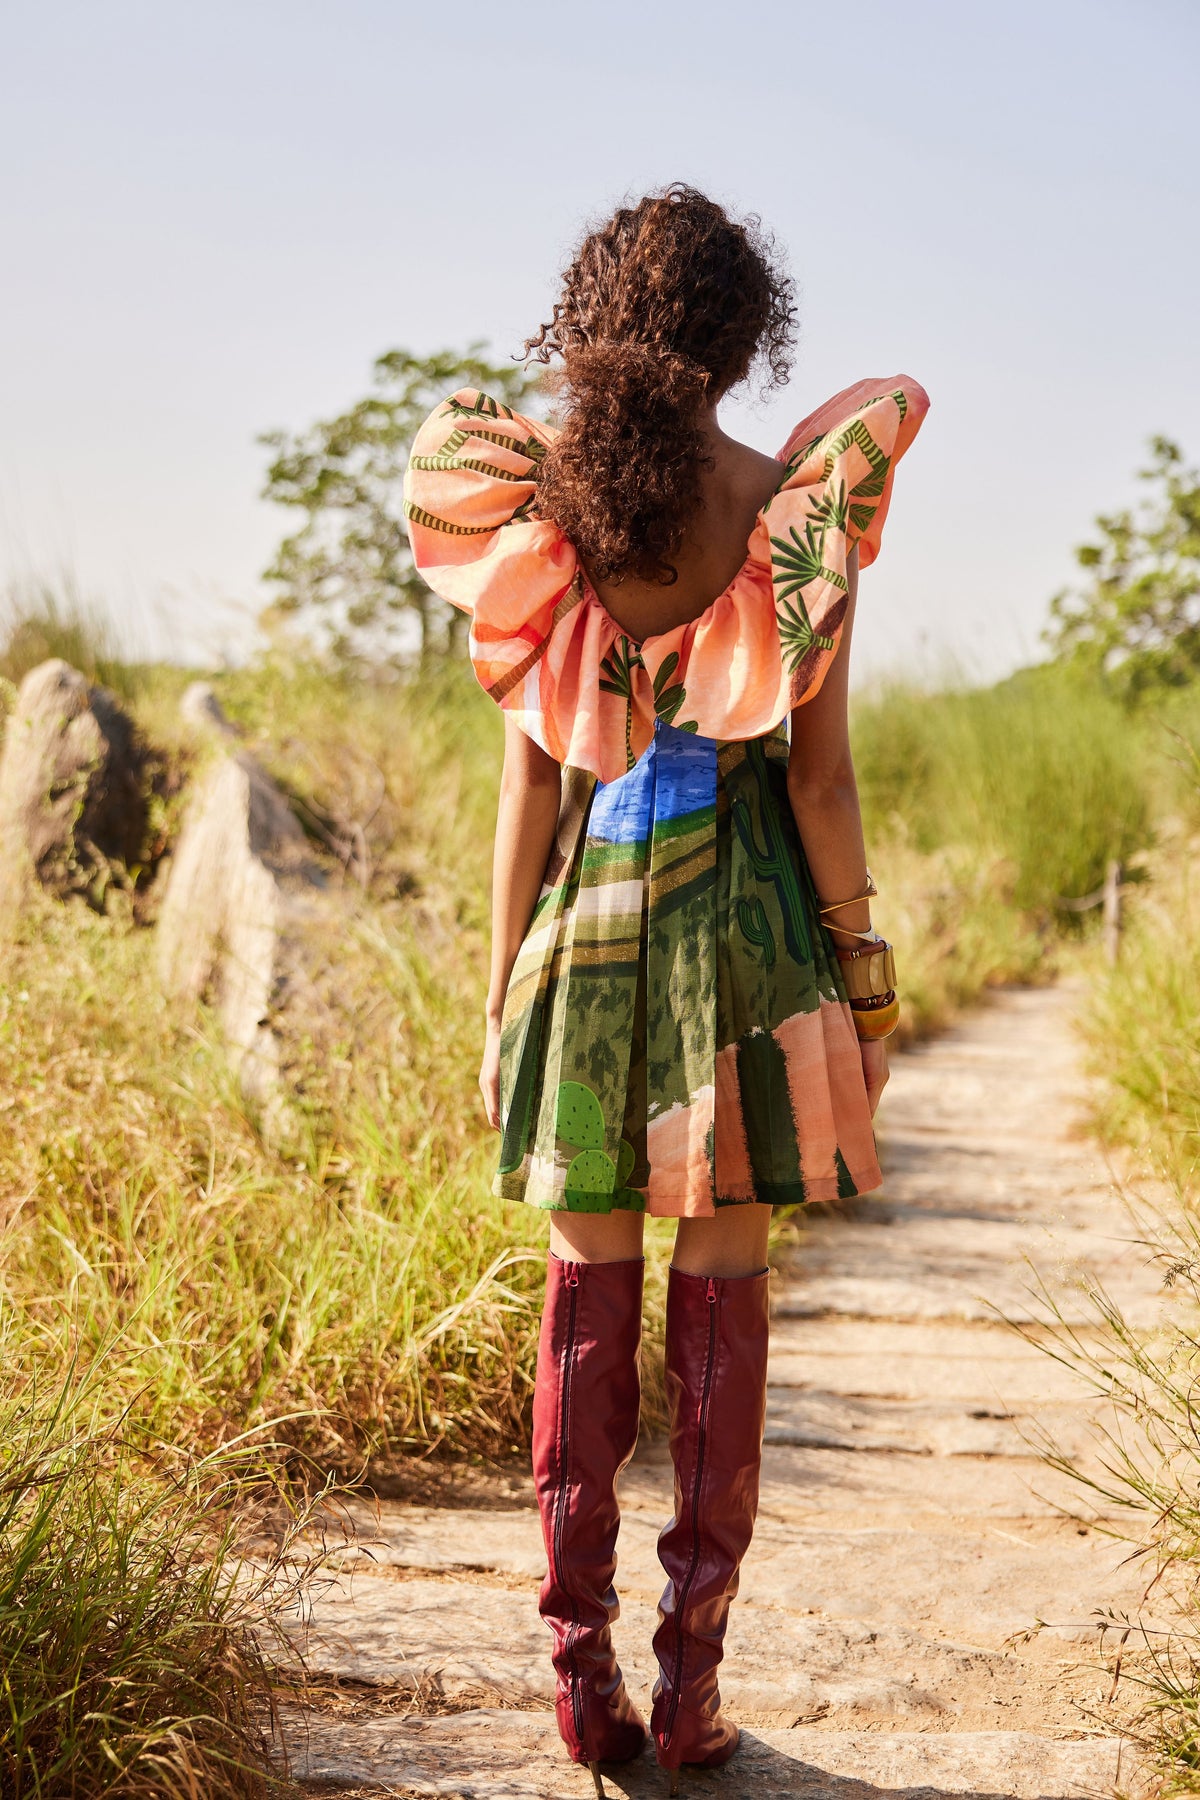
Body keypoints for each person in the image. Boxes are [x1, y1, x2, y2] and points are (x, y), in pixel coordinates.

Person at [404, 184, 928, 1796]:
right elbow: (822, 789)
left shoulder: (538, 522)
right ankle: (690, 1689)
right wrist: (867, 982)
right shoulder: (795, 516)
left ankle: (580, 1687)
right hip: (753, 955)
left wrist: (502, 1002)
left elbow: (528, 804)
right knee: (724, 1301)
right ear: (738, 339)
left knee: (585, 1301)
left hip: (587, 944)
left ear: (590, 326)